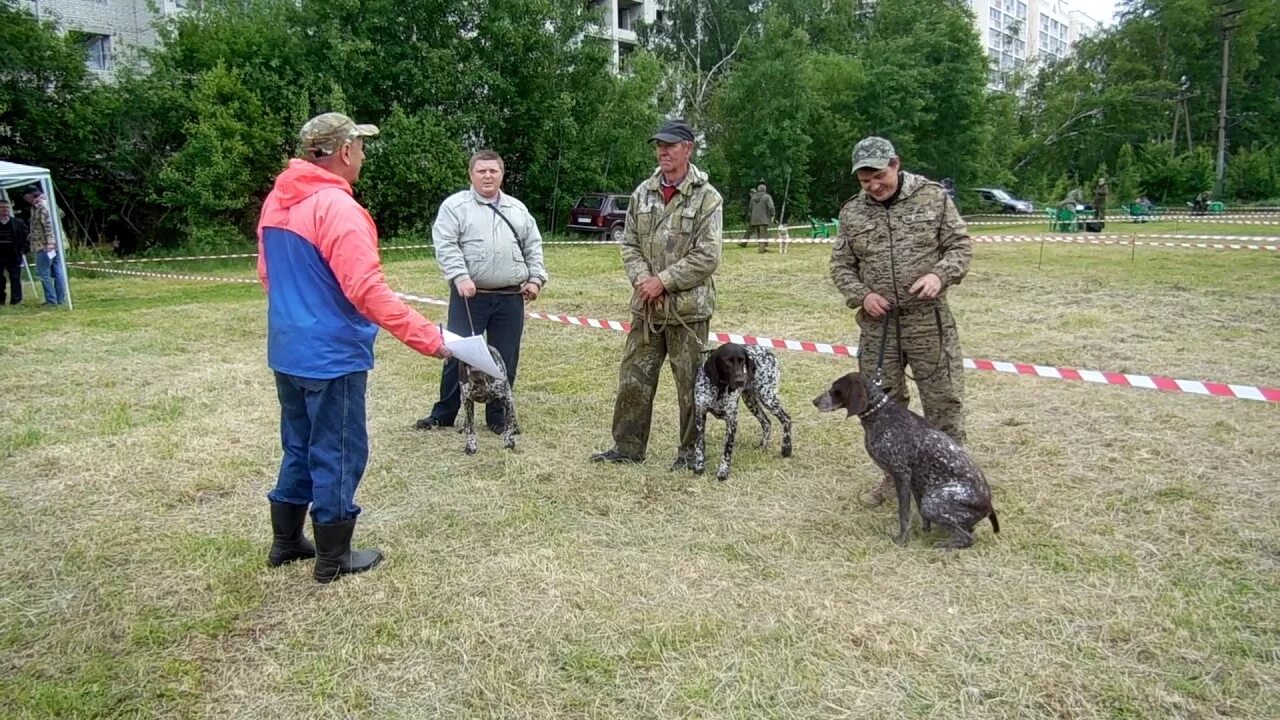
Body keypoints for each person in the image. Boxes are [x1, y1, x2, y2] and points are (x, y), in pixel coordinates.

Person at [257, 112, 451, 583]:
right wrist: (432, 339)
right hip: (330, 355)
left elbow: (266, 275)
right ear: (345, 152)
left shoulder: (277, 202)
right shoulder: (338, 209)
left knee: (298, 445)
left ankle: (286, 542)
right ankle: (332, 558)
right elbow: (367, 290)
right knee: (339, 450)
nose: (362, 156)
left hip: (288, 348)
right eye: (360, 148)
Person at [830, 136, 972, 506]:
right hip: (879, 329)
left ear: (895, 164)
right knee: (883, 406)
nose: (873, 186)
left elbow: (960, 246)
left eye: (879, 176)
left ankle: (953, 480)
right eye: (864, 180)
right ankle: (895, 479)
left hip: (928, 320)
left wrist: (940, 275)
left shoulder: (933, 196)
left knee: (943, 401)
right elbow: (841, 266)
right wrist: (863, 295)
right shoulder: (852, 212)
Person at [590, 118, 723, 469]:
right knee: (633, 379)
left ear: (688, 148)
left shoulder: (707, 197)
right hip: (647, 310)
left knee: (691, 385)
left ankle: (690, 453)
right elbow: (629, 244)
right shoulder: (642, 193)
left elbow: (708, 255)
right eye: (659, 145)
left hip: (687, 311)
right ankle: (627, 447)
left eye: (670, 145)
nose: (663, 151)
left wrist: (663, 280)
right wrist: (642, 280)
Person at [414, 150, 548, 433]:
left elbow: (532, 246)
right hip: (469, 297)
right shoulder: (455, 207)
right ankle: (444, 414)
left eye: (493, 171)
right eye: (481, 171)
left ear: (502, 174)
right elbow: (446, 244)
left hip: (510, 297)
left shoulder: (517, 209)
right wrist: (460, 276)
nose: (488, 176)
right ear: (471, 175)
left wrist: (535, 279)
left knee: (505, 356)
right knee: (457, 354)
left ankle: (499, 418)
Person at [23, 186, 65, 306]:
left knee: (44, 273)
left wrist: (50, 242)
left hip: (45, 245)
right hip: (58, 243)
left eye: (26, 198)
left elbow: (48, 225)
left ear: (30, 196)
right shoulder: (50, 203)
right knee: (58, 272)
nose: (27, 201)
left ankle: (51, 300)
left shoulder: (40, 205)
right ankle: (60, 299)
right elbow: (61, 215)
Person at [0, 198, 29, 305]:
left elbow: (26, 237)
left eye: (7, 207)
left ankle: (16, 300)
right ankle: (1, 300)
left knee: (15, 278)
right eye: (2, 207)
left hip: (14, 254)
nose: (5, 210)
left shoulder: (18, 222)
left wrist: (24, 250)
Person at [741, 183, 775, 253]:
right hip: (764, 218)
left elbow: (750, 209)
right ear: (764, 189)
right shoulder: (767, 197)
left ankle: (762, 248)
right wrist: (772, 215)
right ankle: (761, 249)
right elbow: (771, 207)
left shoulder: (753, 198)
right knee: (763, 234)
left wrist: (750, 218)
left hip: (754, 219)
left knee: (759, 234)